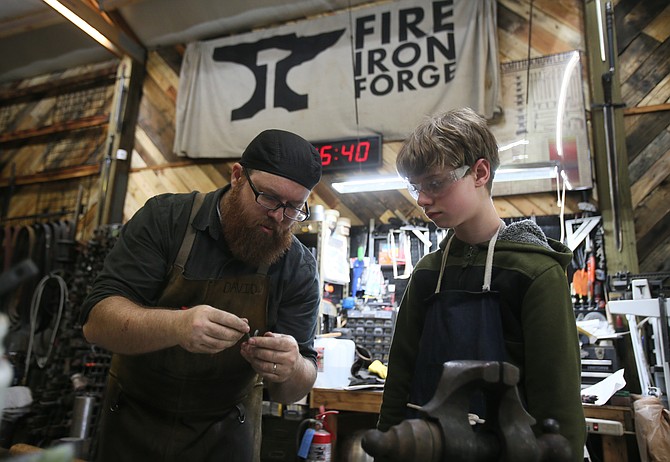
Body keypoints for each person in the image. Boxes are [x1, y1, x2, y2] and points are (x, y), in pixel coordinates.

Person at [80, 129, 323, 462]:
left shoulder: (297, 266)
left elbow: (296, 387)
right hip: (134, 418)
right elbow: (97, 323)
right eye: (268, 198)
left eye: (294, 208)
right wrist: (176, 326)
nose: (279, 217)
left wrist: (290, 366)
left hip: (227, 433)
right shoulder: (165, 220)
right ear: (237, 176)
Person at [376, 108, 585, 460]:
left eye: (436, 183)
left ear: (480, 172)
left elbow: (558, 402)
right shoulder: (427, 274)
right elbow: (399, 381)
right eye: (417, 187)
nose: (423, 199)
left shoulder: (534, 273)